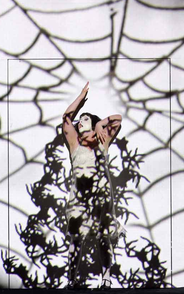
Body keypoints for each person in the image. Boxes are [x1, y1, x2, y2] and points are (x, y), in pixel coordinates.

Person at [61, 82, 124, 289]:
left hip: (101, 197)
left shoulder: (102, 141)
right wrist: (80, 98)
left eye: (86, 119)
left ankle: (106, 278)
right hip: (79, 198)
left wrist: (100, 123)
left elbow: (118, 120)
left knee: (104, 237)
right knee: (76, 240)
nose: (80, 122)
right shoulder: (75, 144)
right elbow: (67, 118)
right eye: (81, 119)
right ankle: (71, 279)